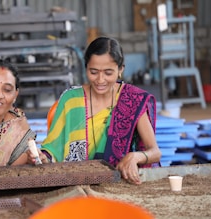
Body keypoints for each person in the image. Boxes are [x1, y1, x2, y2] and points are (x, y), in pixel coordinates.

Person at [28, 36, 161, 185]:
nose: (100, 79)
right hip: (75, 184)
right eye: (94, 71)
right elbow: (53, 150)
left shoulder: (132, 100)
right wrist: (44, 157)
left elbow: (154, 152)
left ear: (120, 70)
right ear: (86, 68)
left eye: (108, 73)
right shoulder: (71, 99)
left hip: (119, 184)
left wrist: (135, 157)